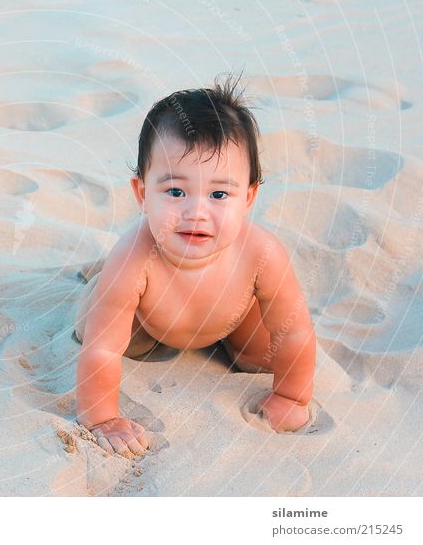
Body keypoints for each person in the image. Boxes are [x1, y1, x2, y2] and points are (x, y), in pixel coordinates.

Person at [74, 75, 316, 457]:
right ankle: (97, 278)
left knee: (261, 355)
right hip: (151, 317)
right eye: (175, 192)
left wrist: (292, 396)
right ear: (142, 194)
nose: (196, 213)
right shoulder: (135, 258)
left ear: (249, 198)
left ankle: (231, 338)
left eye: (219, 194)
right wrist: (103, 418)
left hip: (227, 314)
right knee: (99, 330)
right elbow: (102, 351)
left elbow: (296, 333)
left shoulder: (262, 253)